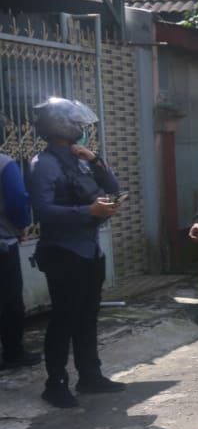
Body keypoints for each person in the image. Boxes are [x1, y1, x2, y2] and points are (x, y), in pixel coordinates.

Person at [27, 97, 124, 408]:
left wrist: (95, 160)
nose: (82, 128)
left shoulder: (80, 159)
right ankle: (55, 383)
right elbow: (43, 211)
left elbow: (113, 186)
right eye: (76, 122)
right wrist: (88, 210)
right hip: (63, 252)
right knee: (64, 319)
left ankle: (90, 375)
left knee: (87, 316)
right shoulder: (43, 165)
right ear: (60, 124)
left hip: (89, 249)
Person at [0, 134, 40, 370]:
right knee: (10, 300)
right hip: (3, 245)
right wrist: (22, 225)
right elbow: (17, 201)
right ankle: (13, 353)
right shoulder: (5, 164)